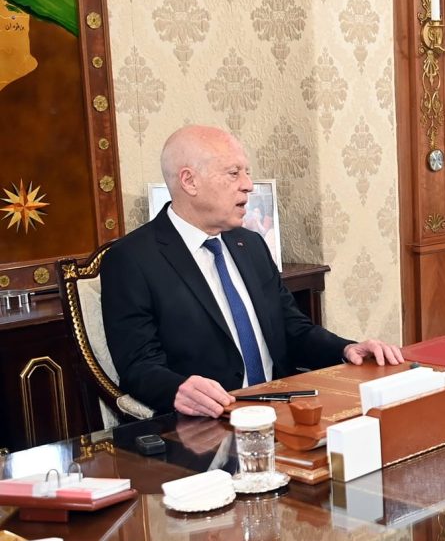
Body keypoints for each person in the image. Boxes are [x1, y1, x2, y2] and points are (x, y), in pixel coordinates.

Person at [102, 125, 404, 418]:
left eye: (246, 172)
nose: (248, 184)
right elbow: (138, 366)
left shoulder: (250, 244)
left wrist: (346, 348)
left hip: (283, 409)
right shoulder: (132, 259)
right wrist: (177, 389)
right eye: (234, 173)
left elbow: (292, 329)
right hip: (210, 421)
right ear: (189, 181)